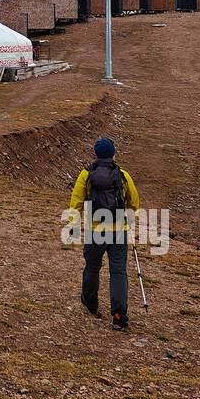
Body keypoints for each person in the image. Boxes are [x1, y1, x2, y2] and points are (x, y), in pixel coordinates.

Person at [68, 137, 140, 331]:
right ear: (113, 154)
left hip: (95, 231)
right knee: (118, 272)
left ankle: (90, 303)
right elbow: (134, 202)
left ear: (96, 154)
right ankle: (118, 315)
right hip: (119, 232)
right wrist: (129, 220)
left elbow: (75, 202)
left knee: (92, 267)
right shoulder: (123, 175)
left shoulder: (86, 175)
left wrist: (73, 225)